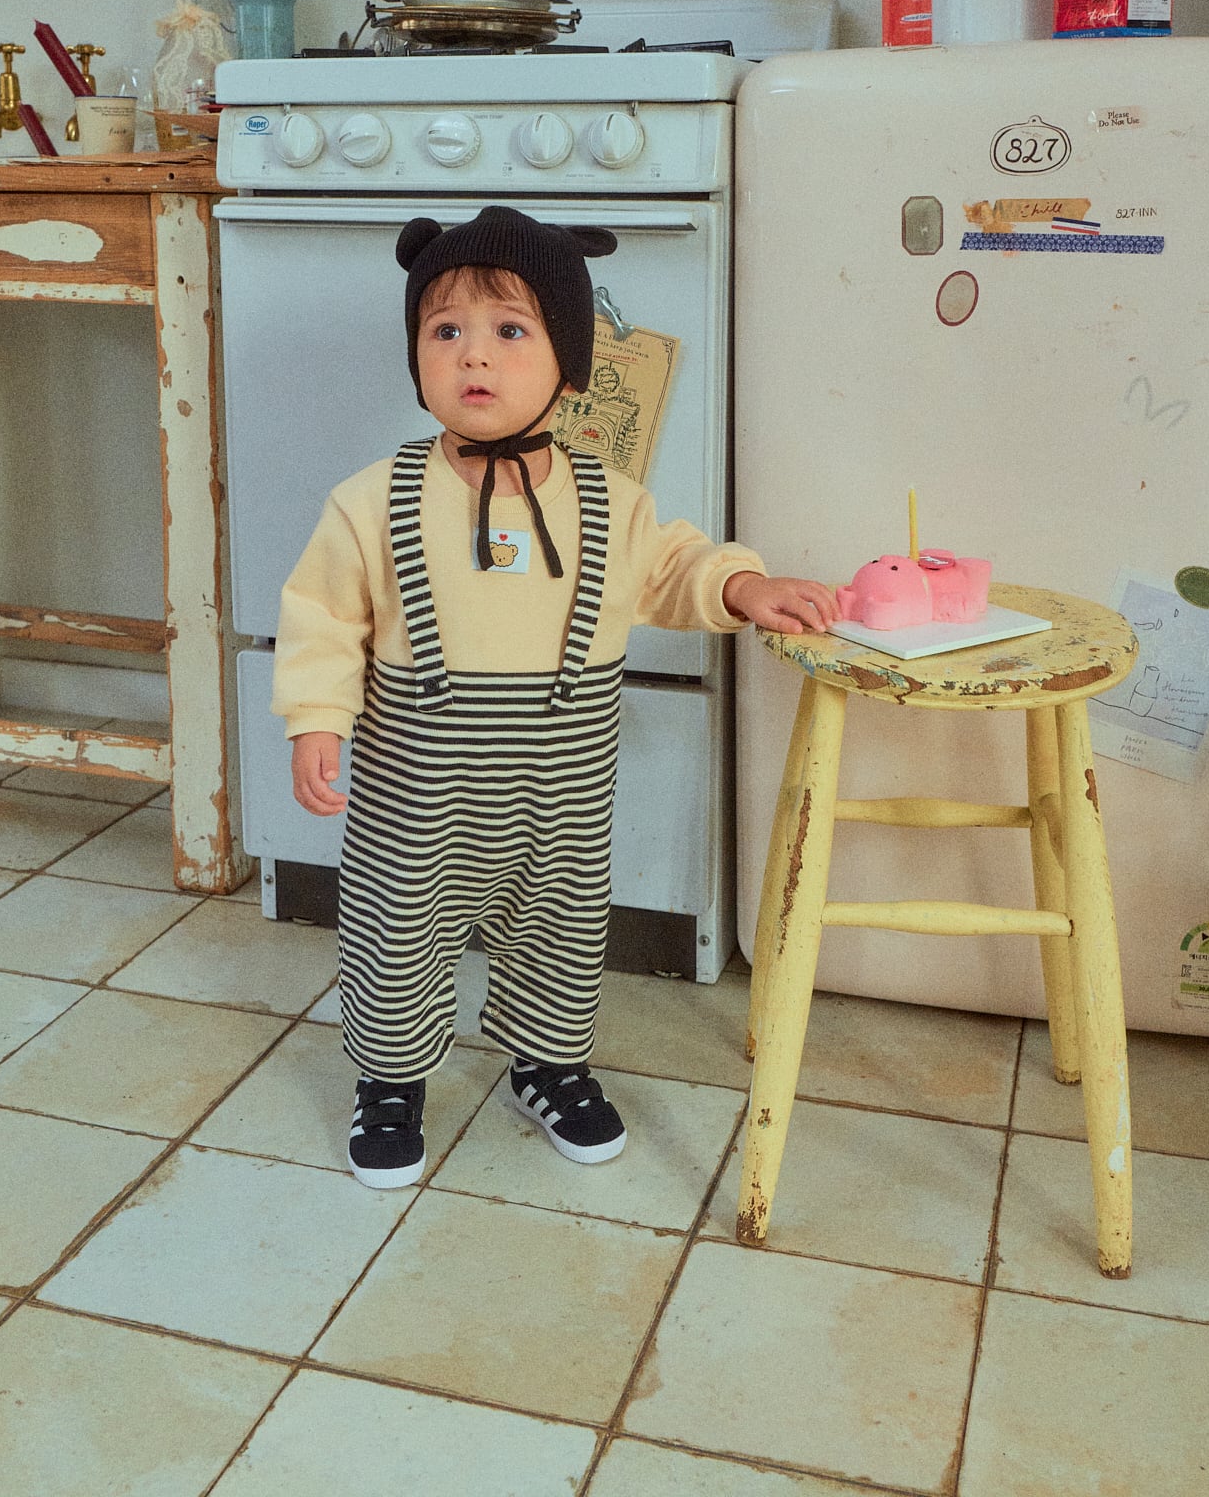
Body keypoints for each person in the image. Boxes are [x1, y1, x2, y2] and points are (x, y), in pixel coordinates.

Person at [273, 205, 838, 1189]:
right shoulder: (370, 501)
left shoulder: (611, 500)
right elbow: (323, 616)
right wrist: (318, 719)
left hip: (560, 792)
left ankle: (547, 1063)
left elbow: (676, 568)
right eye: (445, 330)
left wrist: (743, 586)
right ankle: (390, 1079)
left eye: (510, 329)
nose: (474, 354)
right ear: (416, 357)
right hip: (418, 792)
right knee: (397, 927)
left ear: (569, 363)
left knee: (562, 925)